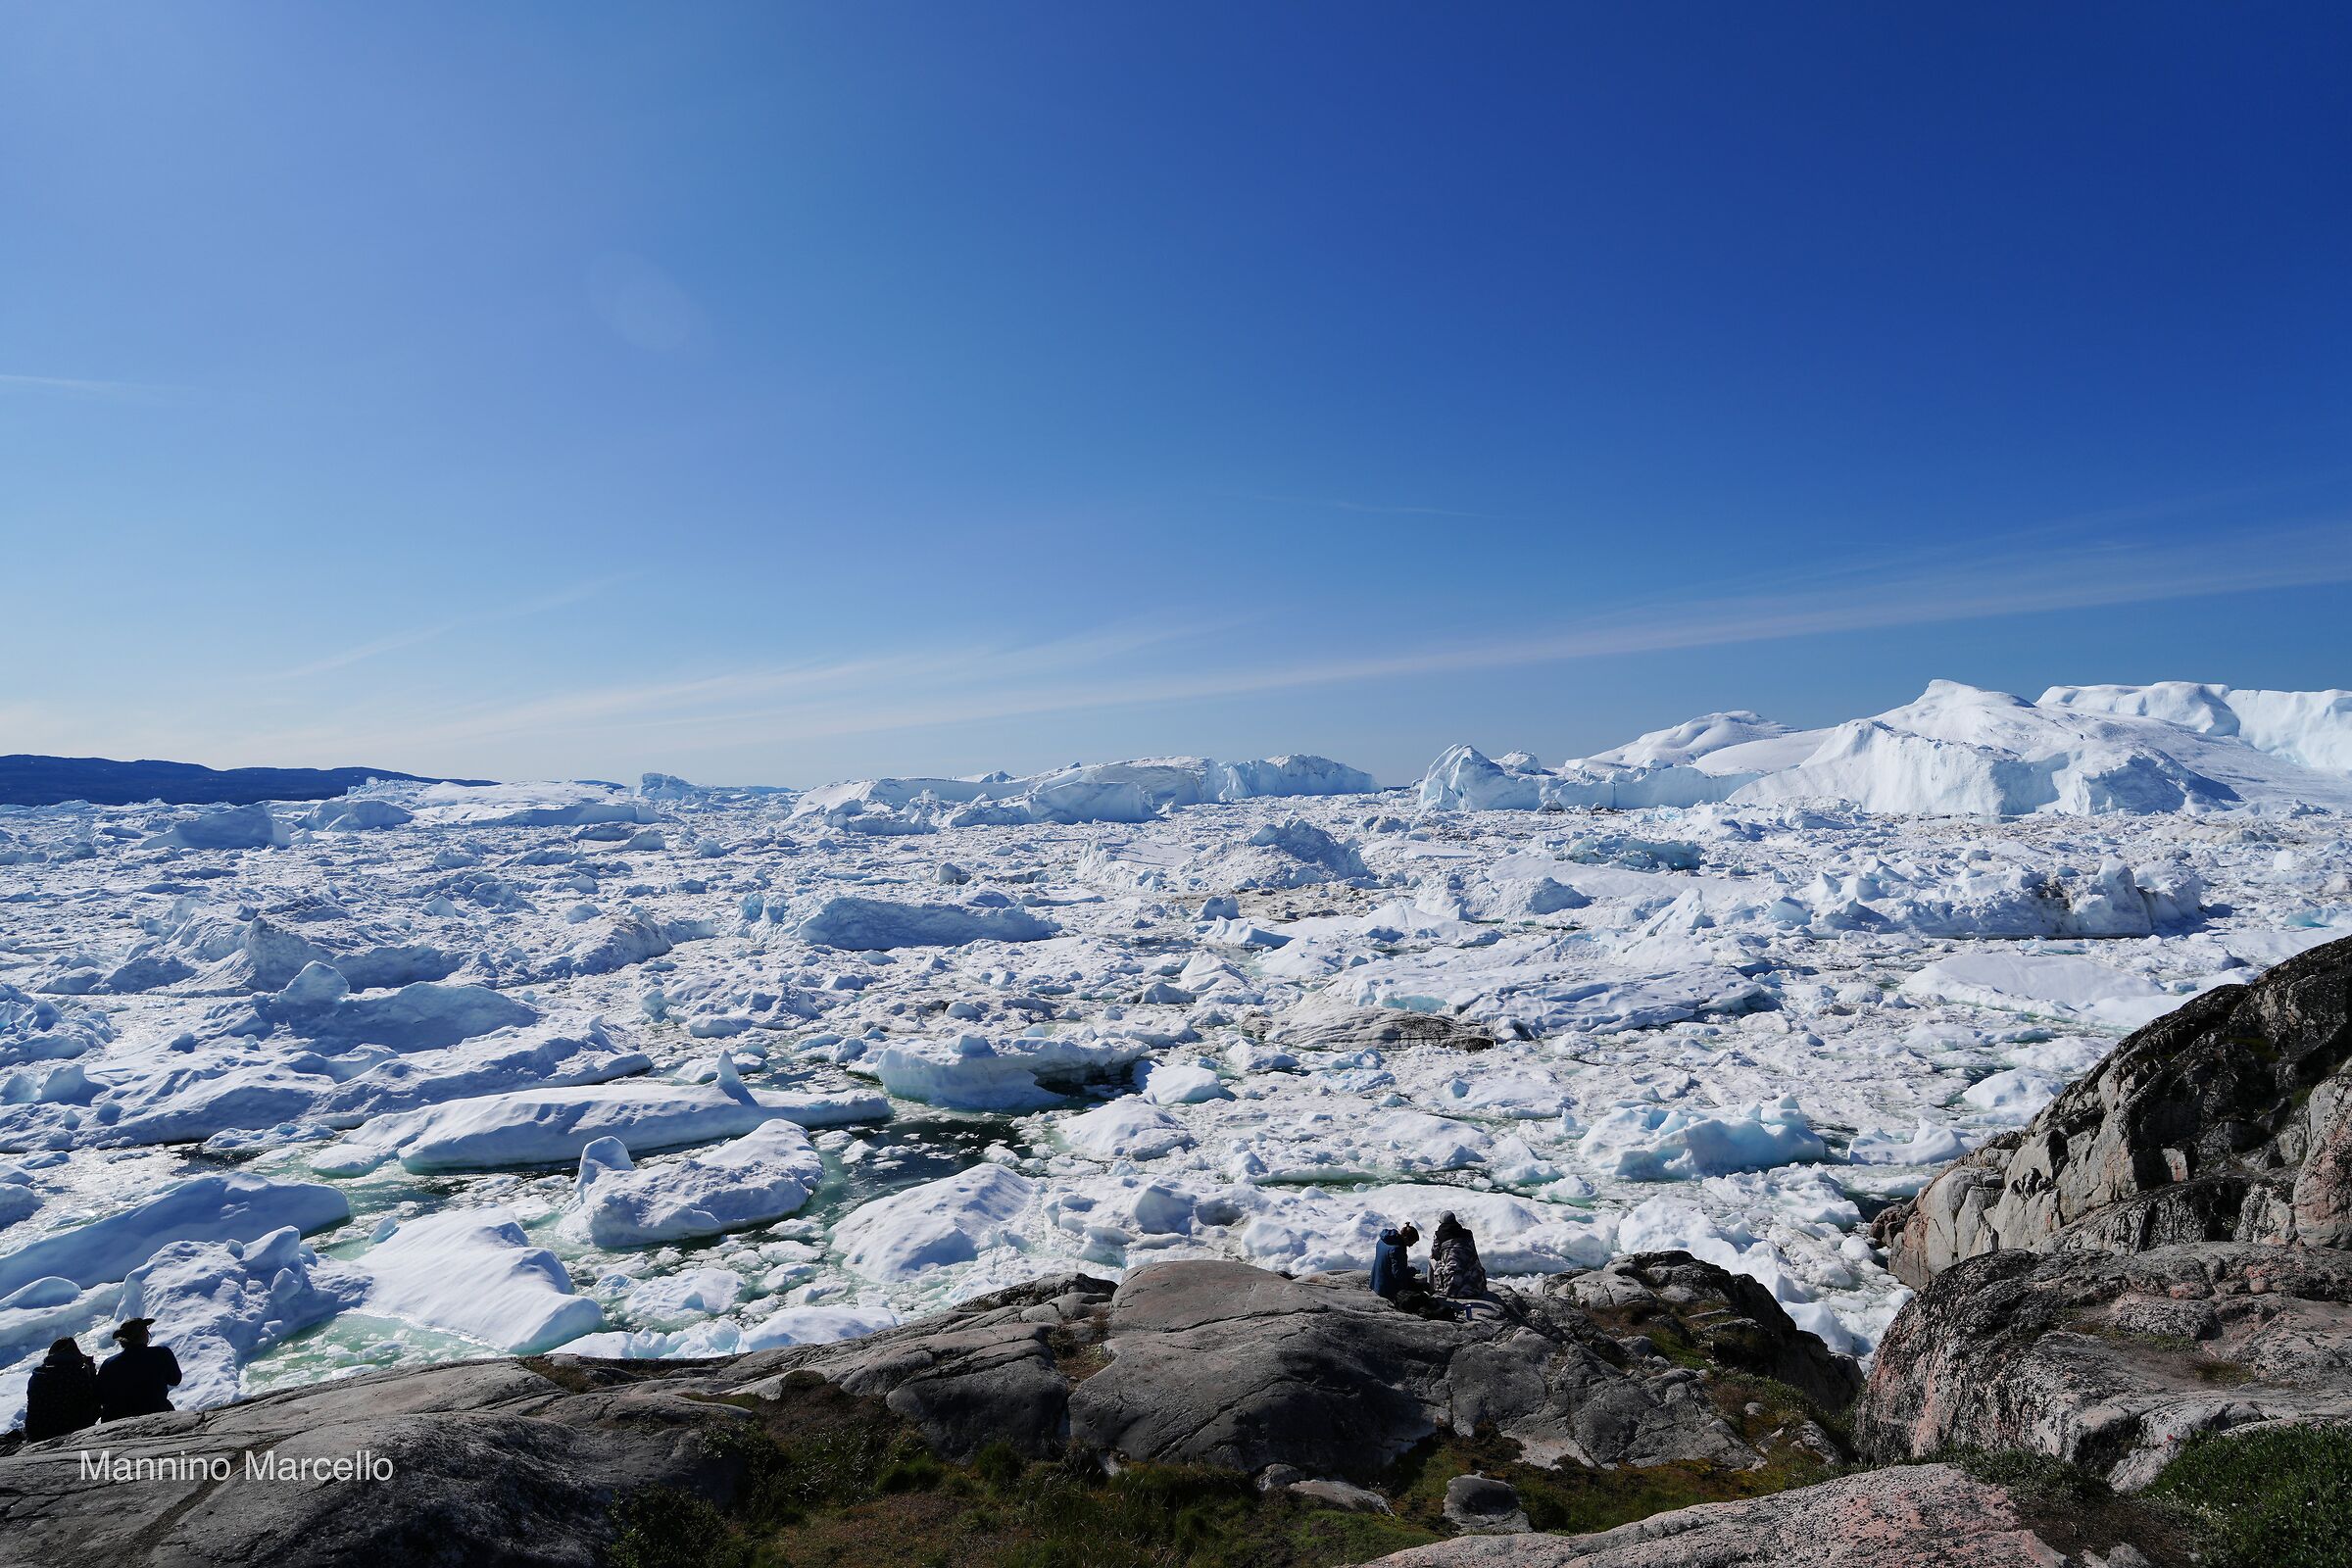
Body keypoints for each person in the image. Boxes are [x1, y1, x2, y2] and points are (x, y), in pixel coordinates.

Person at [97, 1318, 181, 1422]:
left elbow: (101, 1397)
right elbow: (175, 1380)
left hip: (116, 1418)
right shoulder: (162, 1353)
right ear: (144, 1334)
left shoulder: (109, 1363)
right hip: (157, 1412)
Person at [22, 1339, 100, 1442]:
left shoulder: (38, 1376)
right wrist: (91, 1373)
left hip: (36, 1434)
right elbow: (95, 1400)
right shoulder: (79, 1375)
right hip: (71, 1432)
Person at [1429, 1211, 1489, 1300]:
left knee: (1430, 1260)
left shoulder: (1439, 1235)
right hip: (1477, 1287)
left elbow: (1436, 1255)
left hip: (1453, 1290)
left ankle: (1430, 1290)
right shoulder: (1468, 1233)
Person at [1368, 1221, 1420, 1299]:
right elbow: (1398, 1274)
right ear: (1406, 1238)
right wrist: (1412, 1271)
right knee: (1420, 1288)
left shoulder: (1383, 1240)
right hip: (1385, 1287)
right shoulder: (1397, 1249)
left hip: (1375, 1282)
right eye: (1411, 1242)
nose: (1411, 1246)